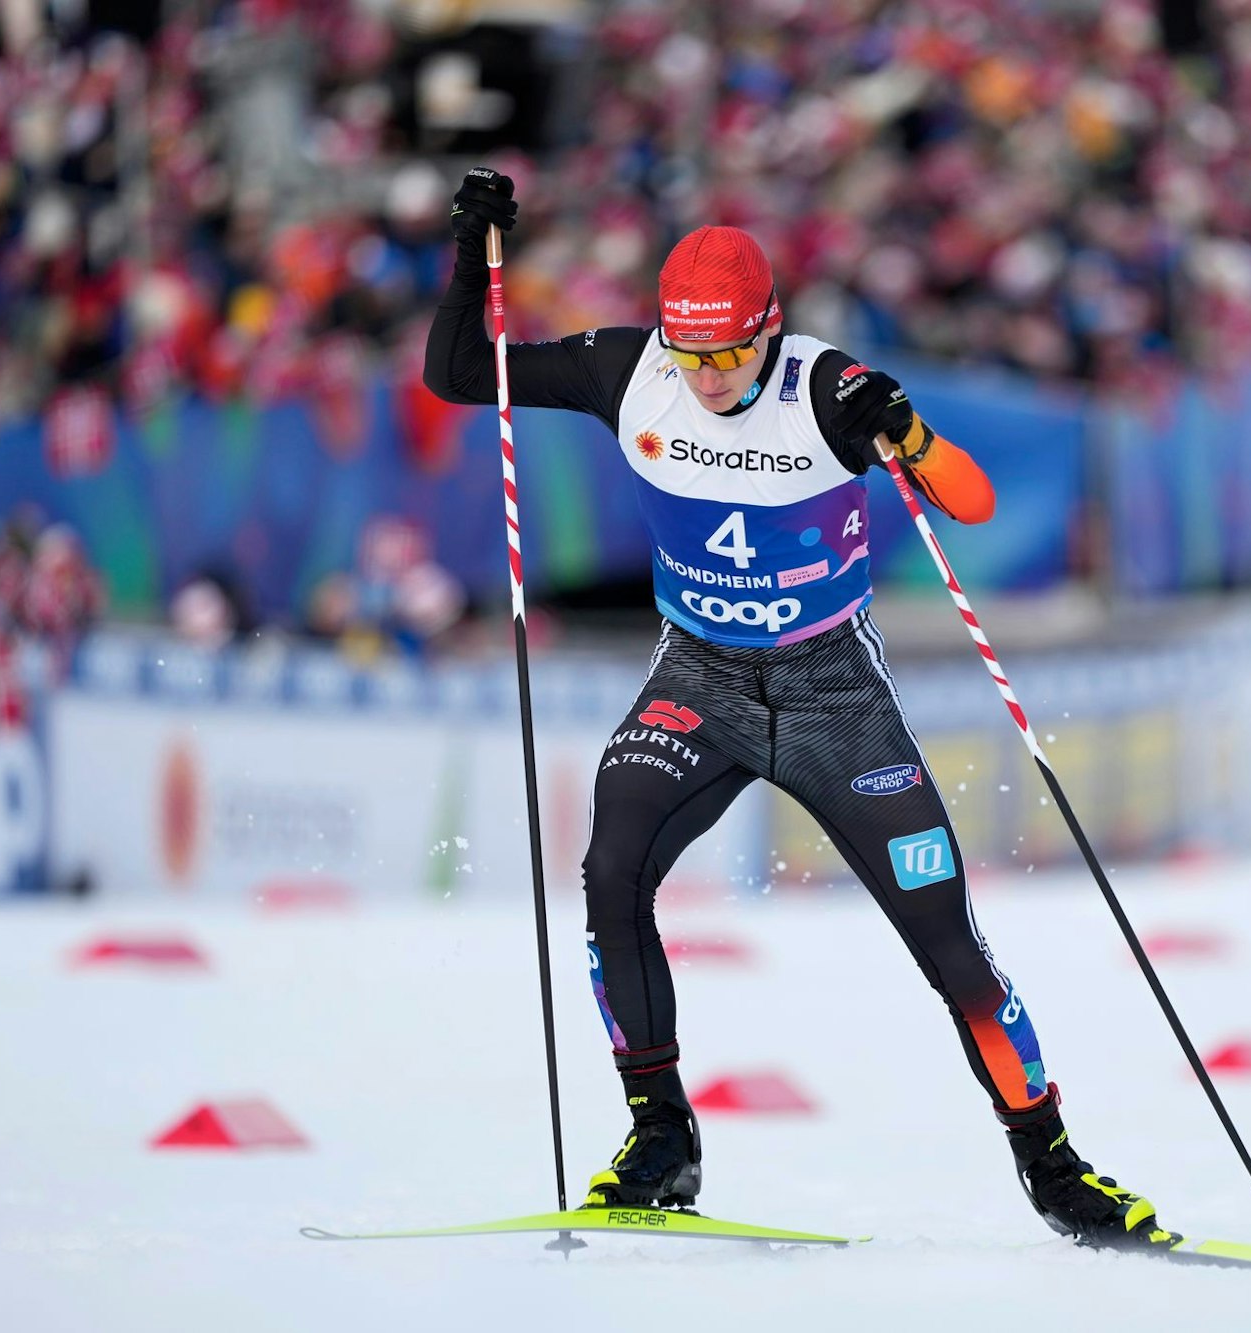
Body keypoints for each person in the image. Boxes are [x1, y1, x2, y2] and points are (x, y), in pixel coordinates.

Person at [424, 167, 1179, 1254]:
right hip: (701, 680)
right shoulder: (627, 370)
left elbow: (972, 502)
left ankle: (1052, 1165)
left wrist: (907, 437)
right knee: (610, 867)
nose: (712, 375)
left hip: (833, 696)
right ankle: (658, 1139)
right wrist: (471, 251)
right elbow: (457, 372)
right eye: (693, 355)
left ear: (768, 331)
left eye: (731, 352)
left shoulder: (827, 390)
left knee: (949, 949)